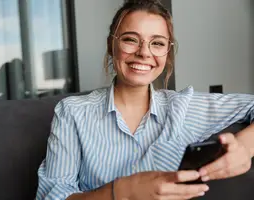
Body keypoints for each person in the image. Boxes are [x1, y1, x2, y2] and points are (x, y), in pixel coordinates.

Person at [35, 0, 254, 199]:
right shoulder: (72, 112)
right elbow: (51, 197)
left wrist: (244, 147)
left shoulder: (183, 107)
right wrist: (121, 191)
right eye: (131, 40)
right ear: (111, 46)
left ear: (167, 53)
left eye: (157, 43)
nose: (143, 53)